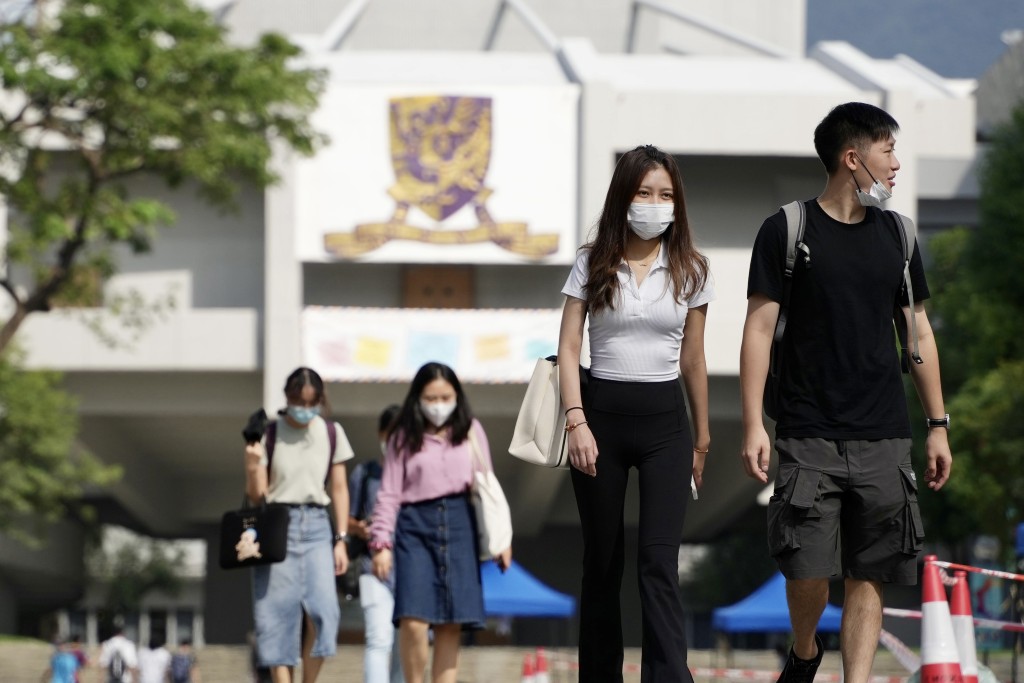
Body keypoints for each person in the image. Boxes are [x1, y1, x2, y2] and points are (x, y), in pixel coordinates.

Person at [739, 101, 952, 683]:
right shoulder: (787, 229)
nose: (895, 165)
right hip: (808, 432)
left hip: (885, 434)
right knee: (805, 567)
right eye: (887, 152)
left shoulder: (899, 235)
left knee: (870, 570)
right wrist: (755, 422)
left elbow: (918, 331)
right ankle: (806, 650)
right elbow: (758, 328)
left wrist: (938, 425)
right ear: (852, 158)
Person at [557, 143, 713, 683]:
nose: (655, 203)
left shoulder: (693, 268)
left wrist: (702, 441)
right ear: (624, 196)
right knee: (603, 561)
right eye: (645, 192)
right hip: (599, 416)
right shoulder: (591, 262)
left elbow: (693, 358)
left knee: (658, 563)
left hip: (666, 424)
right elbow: (570, 348)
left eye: (666, 194)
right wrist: (576, 421)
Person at [369, 362, 511, 683]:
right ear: (417, 398)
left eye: (446, 396)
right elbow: (388, 493)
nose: (438, 405)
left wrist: (502, 539)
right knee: (414, 619)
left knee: (451, 622)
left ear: (457, 397)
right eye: (430, 397)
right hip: (414, 526)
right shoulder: (402, 437)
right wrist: (381, 544)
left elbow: (487, 485)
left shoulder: (471, 431)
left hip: (460, 523)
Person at [244, 366, 355, 683]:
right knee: (277, 614)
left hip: (319, 525)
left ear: (320, 400)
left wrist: (341, 538)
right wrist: (252, 466)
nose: (304, 409)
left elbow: (339, 488)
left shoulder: (332, 432)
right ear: (287, 397)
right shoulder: (270, 432)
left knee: (325, 613)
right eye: (298, 401)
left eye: (311, 402)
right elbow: (257, 496)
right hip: (276, 525)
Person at [349, 404, 404, 683]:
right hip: (373, 567)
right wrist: (360, 528)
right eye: (390, 433)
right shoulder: (366, 472)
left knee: (404, 644)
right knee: (378, 639)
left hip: (408, 568)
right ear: (381, 434)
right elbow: (347, 518)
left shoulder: (416, 471)